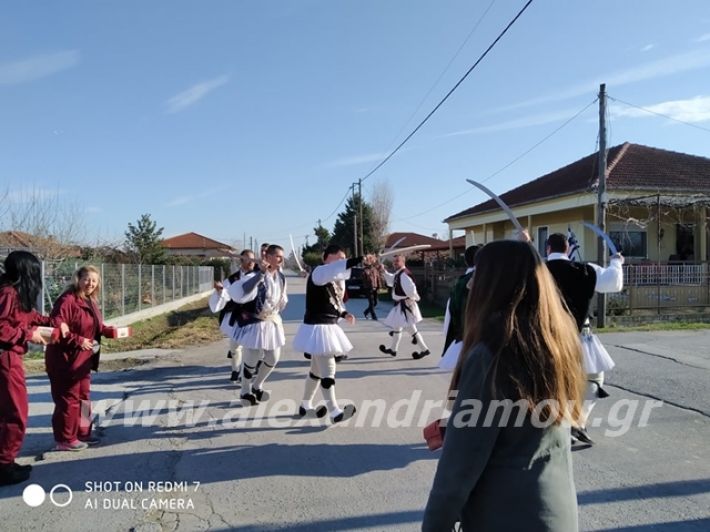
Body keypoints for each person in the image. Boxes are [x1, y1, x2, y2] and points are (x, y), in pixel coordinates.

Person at [422, 240, 586, 531]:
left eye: (477, 276)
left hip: (506, 515)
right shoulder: (558, 344)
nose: (471, 285)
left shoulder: (491, 354)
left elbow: (458, 468)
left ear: (494, 285)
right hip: (555, 510)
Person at [545, 232, 624, 445]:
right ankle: (576, 421)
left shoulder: (537, 272)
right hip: (580, 337)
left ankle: (560, 424)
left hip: (546, 338)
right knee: (592, 380)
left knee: (552, 381)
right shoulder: (586, 270)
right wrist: (616, 262)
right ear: (568, 249)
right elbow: (613, 283)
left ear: (548, 249)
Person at [45, 265, 115, 452]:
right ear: (78, 279)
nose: (90, 283)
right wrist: (78, 340)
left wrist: (108, 330)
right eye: (86, 279)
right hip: (65, 359)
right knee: (68, 400)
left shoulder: (91, 300)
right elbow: (57, 327)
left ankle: (84, 432)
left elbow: (95, 326)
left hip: (83, 360)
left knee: (84, 398)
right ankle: (65, 439)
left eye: (94, 280)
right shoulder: (67, 300)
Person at [0, 251, 54, 485]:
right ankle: (4, 466)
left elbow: (27, 315)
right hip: (6, 358)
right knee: (15, 413)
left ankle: (6, 461)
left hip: (11, 357)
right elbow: (2, 327)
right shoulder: (8, 293)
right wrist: (28, 334)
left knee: (9, 412)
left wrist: (49, 321)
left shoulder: (13, 293)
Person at [293, 245, 359, 423]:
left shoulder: (335, 280)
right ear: (326, 258)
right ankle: (334, 411)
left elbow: (335, 303)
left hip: (328, 326)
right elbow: (333, 270)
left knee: (315, 371)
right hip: (318, 328)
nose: (342, 263)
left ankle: (305, 405)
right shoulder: (319, 272)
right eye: (338, 258)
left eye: (344, 259)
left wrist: (344, 314)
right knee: (328, 369)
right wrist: (360, 259)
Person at [228, 244, 288, 406]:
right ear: (267, 258)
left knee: (273, 358)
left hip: (272, 321)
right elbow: (244, 291)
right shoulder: (255, 275)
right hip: (256, 323)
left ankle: (257, 385)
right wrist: (260, 273)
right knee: (252, 359)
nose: (281, 259)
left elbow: (282, 299)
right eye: (277, 256)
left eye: (282, 256)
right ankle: (245, 391)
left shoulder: (281, 277)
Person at [208, 249, 257, 383]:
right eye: (248, 260)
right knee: (234, 347)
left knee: (249, 348)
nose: (252, 263)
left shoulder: (258, 276)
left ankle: (245, 374)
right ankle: (236, 370)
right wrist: (220, 291)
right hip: (236, 317)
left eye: (253, 260)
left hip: (252, 317)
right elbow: (227, 293)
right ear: (241, 261)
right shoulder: (233, 278)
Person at [378, 254, 430, 359]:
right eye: (394, 261)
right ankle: (393, 349)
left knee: (411, 328)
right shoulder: (399, 273)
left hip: (405, 306)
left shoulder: (404, 274)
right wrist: (383, 271)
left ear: (403, 262)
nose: (394, 263)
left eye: (397, 261)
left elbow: (412, 290)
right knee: (397, 327)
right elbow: (391, 281)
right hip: (401, 305)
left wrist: (411, 299)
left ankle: (424, 349)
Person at [440, 245, 481, 370]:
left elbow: (450, 313)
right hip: (474, 340)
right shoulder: (478, 279)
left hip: (463, 338)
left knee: (459, 383)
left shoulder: (460, 282)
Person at [362, 254, 382, 320]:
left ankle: (366, 312)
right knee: (371, 302)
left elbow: (378, 278)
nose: (372, 261)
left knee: (375, 302)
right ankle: (374, 315)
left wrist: (379, 287)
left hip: (375, 287)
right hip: (368, 288)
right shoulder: (365, 270)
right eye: (370, 260)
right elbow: (366, 280)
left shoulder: (374, 269)